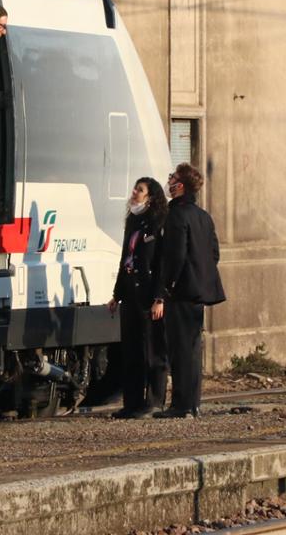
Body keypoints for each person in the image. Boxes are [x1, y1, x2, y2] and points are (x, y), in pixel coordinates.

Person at [153, 163, 226, 418]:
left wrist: (165, 288)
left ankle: (181, 404)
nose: (169, 181)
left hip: (181, 292)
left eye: (172, 177)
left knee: (180, 349)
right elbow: (214, 252)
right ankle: (193, 403)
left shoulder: (176, 215)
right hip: (199, 291)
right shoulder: (203, 216)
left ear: (180, 186)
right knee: (193, 349)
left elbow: (174, 256)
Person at [108, 177, 169, 419]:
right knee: (131, 349)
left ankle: (154, 401)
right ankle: (131, 402)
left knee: (152, 349)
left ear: (151, 196)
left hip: (148, 293)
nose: (134, 192)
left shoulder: (158, 223)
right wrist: (117, 294)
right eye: (135, 188)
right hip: (131, 292)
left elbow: (162, 263)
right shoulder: (133, 221)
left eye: (140, 190)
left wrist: (159, 297)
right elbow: (126, 258)